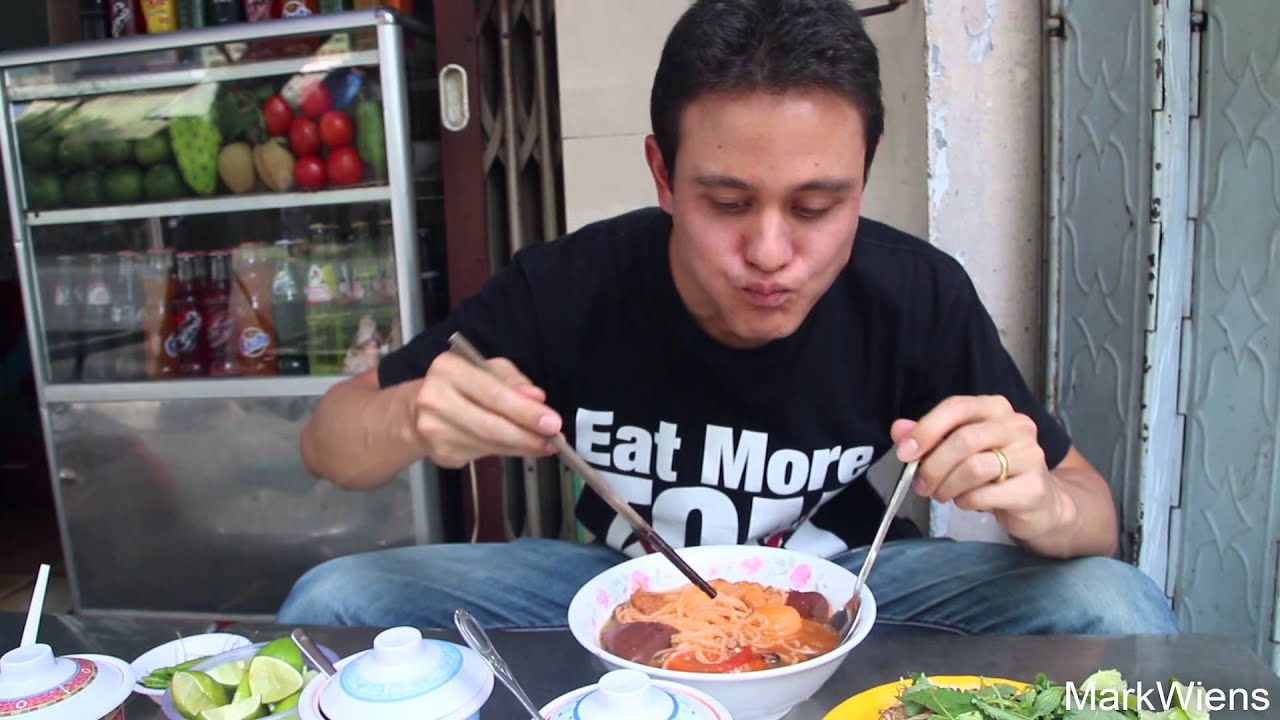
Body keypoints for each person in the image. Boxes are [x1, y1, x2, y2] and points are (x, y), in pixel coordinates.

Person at [279, 0, 1177, 636]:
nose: (773, 252)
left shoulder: (917, 293)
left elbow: (1092, 512)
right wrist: (412, 416)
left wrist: (1039, 504)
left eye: (819, 205)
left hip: (859, 592)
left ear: (864, 178)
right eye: (727, 201)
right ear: (663, 176)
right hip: (624, 590)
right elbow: (328, 443)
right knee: (335, 596)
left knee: (1114, 604)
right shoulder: (573, 282)